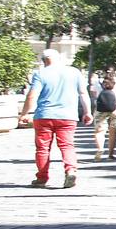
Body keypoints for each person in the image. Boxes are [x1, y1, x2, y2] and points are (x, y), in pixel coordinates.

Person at [18, 49, 90, 188]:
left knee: (43, 148)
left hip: (44, 116)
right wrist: (87, 112)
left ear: (44, 61)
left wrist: (25, 113)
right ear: (59, 59)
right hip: (68, 116)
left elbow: (32, 95)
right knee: (67, 145)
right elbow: (83, 93)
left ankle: (42, 178)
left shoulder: (40, 73)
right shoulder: (74, 72)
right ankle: (70, 170)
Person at [92, 75, 116, 161]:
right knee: (113, 133)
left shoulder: (97, 82)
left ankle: (100, 149)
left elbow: (94, 95)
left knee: (99, 131)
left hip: (100, 109)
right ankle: (110, 155)